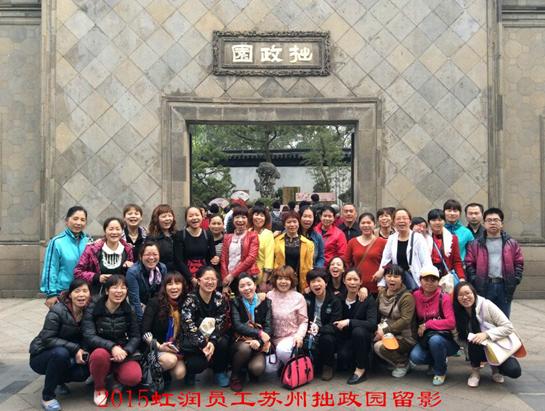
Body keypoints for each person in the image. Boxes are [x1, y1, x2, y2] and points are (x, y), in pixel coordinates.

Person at [30, 279, 91, 411]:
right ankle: (48, 397)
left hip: (67, 354)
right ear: (70, 294)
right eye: (77, 291)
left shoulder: (88, 312)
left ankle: (58, 380)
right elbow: (47, 339)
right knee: (60, 353)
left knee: (82, 373)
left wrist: (84, 351)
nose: (81, 295)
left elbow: (88, 336)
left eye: (85, 291)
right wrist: (76, 349)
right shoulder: (57, 310)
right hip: (42, 354)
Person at [82, 275, 142, 406]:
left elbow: (136, 336)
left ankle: (115, 377)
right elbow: (89, 336)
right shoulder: (94, 308)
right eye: (115, 287)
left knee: (134, 377)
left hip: (121, 352)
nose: (119, 291)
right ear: (107, 290)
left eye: (123, 288)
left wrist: (126, 351)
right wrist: (112, 347)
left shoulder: (129, 309)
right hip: (100, 350)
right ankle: (99, 388)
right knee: (99, 355)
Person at [452, 282, 521, 387]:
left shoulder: (486, 305)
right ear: (456, 298)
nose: (465, 297)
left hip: (497, 346)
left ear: (473, 293)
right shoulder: (458, 313)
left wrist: (486, 334)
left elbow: (508, 327)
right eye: (460, 295)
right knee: (474, 339)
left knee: (514, 371)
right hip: (477, 348)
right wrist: (455, 334)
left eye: (467, 293)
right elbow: (464, 344)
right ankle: (475, 372)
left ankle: (495, 369)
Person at [465, 207, 524, 318]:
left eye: (496, 220)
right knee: (484, 319)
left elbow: (518, 263)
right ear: (484, 223)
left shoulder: (511, 243)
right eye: (489, 220)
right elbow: (469, 264)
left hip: (504, 286)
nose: (492, 223)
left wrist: (515, 279)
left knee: (503, 319)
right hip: (484, 286)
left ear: (502, 223)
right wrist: (475, 280)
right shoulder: (475, 244)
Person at [180, 266, 229, 387]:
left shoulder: (219, 298)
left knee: (223, 342)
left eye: (213, 279)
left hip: (212, 338)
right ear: (199, 281)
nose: (210, 282)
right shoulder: (190, 299)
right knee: (196, 365)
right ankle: (190, 372)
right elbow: (188, 325)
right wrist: (203, 344)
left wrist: (212, 341)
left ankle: (218, 372)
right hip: (194, 339)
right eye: (207, 279)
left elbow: (221, 322)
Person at [409, 266, 458, 386]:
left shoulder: (444, 297)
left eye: (433, 280)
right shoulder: (415, 295)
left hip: (445, 338)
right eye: (426, 279)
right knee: (415, 357)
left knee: (435, 341)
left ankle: (440, 371)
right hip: (426, 338)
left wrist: (428, 324)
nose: (429, 283)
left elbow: (451, 322)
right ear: (420, 280)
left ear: (438, 281)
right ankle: (436, 361)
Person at [41, 206, 91, 308]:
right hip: (63, 293)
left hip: (83, 294)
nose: (79, 223)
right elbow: (50, 269)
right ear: (67, 220)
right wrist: (51, 294)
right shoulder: (57, 242)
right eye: (75, 219)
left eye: (82, 220)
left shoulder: (88, 241)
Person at [229, 272, 272, 391]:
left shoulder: (266, 302)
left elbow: (268, 327)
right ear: (238, 289)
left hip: (257, 343)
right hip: (240, 341)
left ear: (255, 285)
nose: (246, 288)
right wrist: (259, 333)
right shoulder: (235, 302)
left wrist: (259, 341)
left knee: (257, 369)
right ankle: (235, 376)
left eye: (249, 284)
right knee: (245, 348)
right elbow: (238, 325)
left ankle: (246, 368)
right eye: (242, 286)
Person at [141, 272, 187, 381]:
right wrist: (160, 347)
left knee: (180, 373)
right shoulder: (154, 303)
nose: (174, 287)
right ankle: (145, 377)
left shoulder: (185, 303)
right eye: (170, 284)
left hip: (175, 348)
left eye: (177, 283)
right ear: (164, 287)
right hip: (155, 347)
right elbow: (144, 331)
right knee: (170, 361)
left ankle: (162, 374)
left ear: (182, 286)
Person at [334, 268, 377, 384]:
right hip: (346, 338)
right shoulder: (339, 299)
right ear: (344, 281)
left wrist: (349, 322)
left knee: (357, 331)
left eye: (355, 279)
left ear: (361, 281)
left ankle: (361, 369)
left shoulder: (368, 299)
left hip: (363, 336)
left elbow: (372, 325)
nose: (352, 283)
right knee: (343, 355)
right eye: (349, 279)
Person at [374, 265, 417, 378]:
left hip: (405, 336)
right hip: (385, 331)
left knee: (379, 346)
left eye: (396, 276)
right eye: (389, 276)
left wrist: (384, 331)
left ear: (402, 279)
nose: (392, 279)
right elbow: (376, 313)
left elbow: (405, 320)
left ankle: (403, 363)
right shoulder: (382, 293)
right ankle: (392, 359)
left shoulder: (407, 297)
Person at [375, 208, 432, 291]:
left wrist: (427, 283)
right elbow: (385, 261)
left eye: (404, 218)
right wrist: (381, 283)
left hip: (415, 280)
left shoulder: (418, 238)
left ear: (410, 222)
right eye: (398, 219)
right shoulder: (392, 239)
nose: (401, 221)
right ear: (393, 222)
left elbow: (426, 262)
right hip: (397, 282)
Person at [74, 217, 134, 295]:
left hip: (119, 295)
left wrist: (130, 267)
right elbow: (77, 272)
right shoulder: (92, 249)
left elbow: (130, 276)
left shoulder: (127, 249)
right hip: (95, 294)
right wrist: (97, 277)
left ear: (122, 231)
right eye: (111, 229)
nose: (114, 232)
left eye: (118, 229)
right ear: (105, 231)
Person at [266, 266, 308, 371]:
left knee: (283, 350)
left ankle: (297, 370)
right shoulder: (269, 295)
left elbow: (303, 321)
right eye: (280, 278)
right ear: (275, 280)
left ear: (292, 281)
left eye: (287, 279)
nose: (283, 282)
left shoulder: (299, 297)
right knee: (267, 368)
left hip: (291, 338)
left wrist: (299, 336)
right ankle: (286, 366)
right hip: (274, 340)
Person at [304, 268, 342, 381]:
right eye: (313, 282)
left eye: (319, 281)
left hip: (326, 333)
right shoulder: (307, 297)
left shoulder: (334, 301)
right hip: (309, 331)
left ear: (325, 282)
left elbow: (334, 325)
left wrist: (319, 329)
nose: (316, 284)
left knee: (327, 339)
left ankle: (328, 366)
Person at [344, 213, 387, 298]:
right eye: (363, 223)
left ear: (374, 224)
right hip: (357, 286)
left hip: (377, 286)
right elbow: (346, 261)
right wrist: (351, 276)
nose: (366, 225)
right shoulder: (352, 242)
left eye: (369, 223)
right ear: (359, 225)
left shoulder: (383, 242)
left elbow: (390, 261)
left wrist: (383, 270)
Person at [173, 206, 216, 289]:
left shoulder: (208, 235)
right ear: (186, 219)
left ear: (202, 217)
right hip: (186, 275)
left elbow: (212, 258)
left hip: (205, 276)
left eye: (197, 215)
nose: (194, 218)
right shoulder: (180, 235)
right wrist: (192, 279)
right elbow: (178, 260)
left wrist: (205, 277)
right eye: (191, 216)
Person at [220, 206, 260, 295]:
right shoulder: (227, 237)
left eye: (243, 217)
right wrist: (225, 283)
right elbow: (223, 260)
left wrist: (232, 275)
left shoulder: (253, 235)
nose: (240, 220)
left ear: (248, 220)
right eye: (237, 217)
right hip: (229, 279)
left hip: (246, 277)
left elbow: (251, 258)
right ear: (233, 220)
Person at [274, 211, 314, 293]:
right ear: (284, 225)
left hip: (300, 279)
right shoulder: (276, 241)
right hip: (281, 278)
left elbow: (309, 266)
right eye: (288, 222)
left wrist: (309, 284)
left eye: (295, 222)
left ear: (299, 224)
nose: (292, 225)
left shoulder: (308, 244)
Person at [126, 241, 167, 322]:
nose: (151, 258)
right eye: (147, 254)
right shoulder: (133, 272)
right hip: (140, 308)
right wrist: (143, 322)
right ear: (140, 256)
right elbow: (135, 301)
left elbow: (163, 294)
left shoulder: (162, 268)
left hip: (155, 308)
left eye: (155, 254)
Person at [425, 209, 465, 280]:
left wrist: (461, 278)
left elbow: (456, 261)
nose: (437, 223)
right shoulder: (423, 238)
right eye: (434, 220)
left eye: (440, 220)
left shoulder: (452, 238)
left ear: (444, 221)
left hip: (445, 276)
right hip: (427, 275)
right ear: (429, 222)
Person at [249, 205, 275, 292]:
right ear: (251, 216)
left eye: (262, 215)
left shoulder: (268, 234)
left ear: (265, 218)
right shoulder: (247, 232)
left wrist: (263, 281)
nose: (259, 218)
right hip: (247, 275)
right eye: (256, 214)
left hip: (261, 276)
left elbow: (269, 258)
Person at [147, 204, 178, 272]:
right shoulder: (151, 238)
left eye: (170, 216)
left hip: (177, 274)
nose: (167, 219)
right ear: (156, 219)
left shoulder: (176, 235)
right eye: (164, 216)